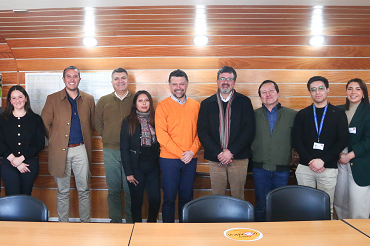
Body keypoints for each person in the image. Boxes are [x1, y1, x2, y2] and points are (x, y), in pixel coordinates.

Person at [41, 66, 95, 223]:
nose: (72, 79)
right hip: (60, 152)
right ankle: (62, 225)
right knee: (63, 191)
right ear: (63, 79)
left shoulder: (89, 99)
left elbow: (91, 124)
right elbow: (45, 123)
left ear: (79, 79)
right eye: (69, 76)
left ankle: (86, 223)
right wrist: (56, 139)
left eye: (75, 76)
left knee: (84, 189)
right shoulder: (53, 98)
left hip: (81, 149)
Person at [292, 76, 348, 218]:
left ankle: (324, 239)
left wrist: (322, 161)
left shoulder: (339, 113)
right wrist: (311, 161)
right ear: (310, 93)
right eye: (313, 89)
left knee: (326, 207)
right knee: (304, 206)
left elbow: (342, 140)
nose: (317, 92)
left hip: (328, 168)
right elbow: (296, 140)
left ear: (328, 90)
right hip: (305, 167)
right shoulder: (302, 114)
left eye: (321, 88)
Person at [197, 66, 255, 200]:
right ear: (217, 81)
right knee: (217, 196)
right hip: (215, 158)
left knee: (238, 196)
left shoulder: (244, 102)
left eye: (229, 79)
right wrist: (219, 153)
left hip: (239, 158)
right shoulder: (207, 104)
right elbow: (203, 131)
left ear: (234, 83)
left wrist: (231, 151)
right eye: (222, 78)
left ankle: (239, 221)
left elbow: (249, 130)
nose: (225, 82)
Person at [155, 69, 201, 223]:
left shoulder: (196, 106)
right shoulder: (162, 106)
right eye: (175, 84)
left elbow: (200, 133)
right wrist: (181, 153)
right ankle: (168, 232)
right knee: (168, 197)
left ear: (187, 85)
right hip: (169, 160)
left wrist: (192, 151)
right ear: (169, 86)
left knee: (186, 197)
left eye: (181, 83)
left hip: (190, 159)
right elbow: (162, 136)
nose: (178, 87)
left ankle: (185, 230)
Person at [251, 80, 297, 222]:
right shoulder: (252, 115)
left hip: (282, 170)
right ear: (260, 97)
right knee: (261, 206)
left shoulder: (292, 115)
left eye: (271, 91)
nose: (268, 94)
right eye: (263, 92)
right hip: (260, 169)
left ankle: (279, 238)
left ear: (278, 93)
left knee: (280, 206)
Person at [95, 68, 133, 223]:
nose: (120, 81)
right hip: (110, 151)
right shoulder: (104, 100)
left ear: (128, 80)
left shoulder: (136, 99)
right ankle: (115, 221)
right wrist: (108, 136)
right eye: (116, 78)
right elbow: (98, 123)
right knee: (114, 189)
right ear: (112, 82)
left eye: (123, 78)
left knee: (131, 189)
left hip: (131, 152)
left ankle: (132, 222)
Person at [120, 90, 161, 223]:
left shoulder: (157, 119)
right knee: (136, 200)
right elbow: (124, 149)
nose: (144, 103)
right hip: (136, 167)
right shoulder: (128, 121)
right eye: (140, 101)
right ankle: (136, 227)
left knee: (155, 199)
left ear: (150, 103)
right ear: (135, 104)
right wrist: (129, 173)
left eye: (146, 100)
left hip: (153, 167)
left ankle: (151, 224)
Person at [334, 78, 370, 219]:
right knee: (340, 201)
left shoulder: (368, 111)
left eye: (357, 89)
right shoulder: (337, 110)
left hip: (360, 162)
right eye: (350, 88)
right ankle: (343, 235)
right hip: (339, 162)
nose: (353, 92)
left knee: (358, 204)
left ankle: (359, 238)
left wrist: (350, 155)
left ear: (363, 93)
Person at [0, 86, 45, 195]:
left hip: (29, 163)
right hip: (8, 163)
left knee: (25, 196)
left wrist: (21, 159)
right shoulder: (2, 119)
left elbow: (39, 143)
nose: (17, 101)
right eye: (14, 98)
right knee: (12, 195)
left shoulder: (35, 119)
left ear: (25, 98)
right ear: (10, 101)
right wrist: (15, 161)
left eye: (20, 97)